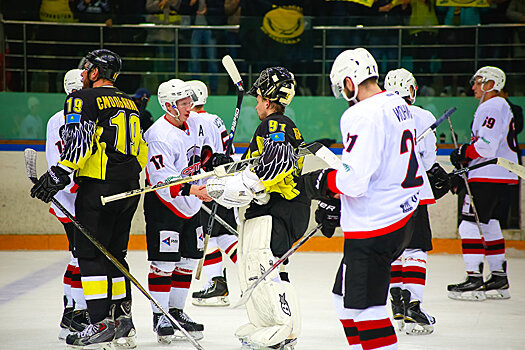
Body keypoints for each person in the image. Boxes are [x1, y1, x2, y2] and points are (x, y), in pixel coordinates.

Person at [302, 48, 425, 349]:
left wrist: (323, 182)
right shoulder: (398, 103)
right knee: (342, 295)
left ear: (349, 81)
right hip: (402, 217)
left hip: (374, 227)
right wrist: (340, 201)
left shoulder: (360, 114)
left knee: (366, 310)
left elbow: (354, 181)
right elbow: (380, 165)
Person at [30, 49, 148, 349]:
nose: (83, 73)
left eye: (87, 69)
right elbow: (142, 151)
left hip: (99, 190)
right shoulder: (129, 102)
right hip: (129, 189)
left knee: (91, 255)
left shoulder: (82, 98)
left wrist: (59, 174)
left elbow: (79, 142)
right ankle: (122, 320)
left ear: (96, 73)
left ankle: (98, 323)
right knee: (115, 254)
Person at [205, 66, 308, 349]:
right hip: (275, 210)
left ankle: (280, 326)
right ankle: (275, 325)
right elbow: (259, 164)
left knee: (262, 266)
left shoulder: (275, 125)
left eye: (258, 98)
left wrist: (239, 186)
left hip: (275, 210)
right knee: (262, 268)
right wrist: (226, 166)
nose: (256, 104)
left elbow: (276, 165)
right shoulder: (277, 126)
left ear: (267, 99)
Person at [143, 78, 217, 343]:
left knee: (187, 260)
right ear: (168, 106)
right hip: (165, 206)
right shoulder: (159, 135)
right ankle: (160, 314)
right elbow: (161, 179)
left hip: (191, 204)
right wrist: (191, 190)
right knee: (164, 263)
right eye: (183, 103)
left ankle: (176, 311)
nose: (189, 107)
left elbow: (208, 153)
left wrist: (215, 171)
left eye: (189, 101)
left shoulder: (195, 122)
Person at [384, 68, 450, 336]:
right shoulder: (423, 116)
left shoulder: (379, 115)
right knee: (416, 250)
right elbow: (428, 161)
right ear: (411, 90)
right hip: (414, 193)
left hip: (387, 195)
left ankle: (397, 301)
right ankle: (413, 304)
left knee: (394, 250)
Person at [447, 66, 518, 301]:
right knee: (489, 224)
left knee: (468, 225)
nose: (473, 86)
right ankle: (499, 278)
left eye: (478, 82)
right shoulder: (500, 106)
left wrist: (463, 152)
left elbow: (485, 146)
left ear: (490, 84)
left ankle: (474, 280)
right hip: (502, 175)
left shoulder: (492, 105)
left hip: (488, 175)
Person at [186, 79, 239, 307]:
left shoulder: (194, 121)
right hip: (225, 185)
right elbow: (230, 152)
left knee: (206, 237)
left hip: (204, 188)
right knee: (225, 235)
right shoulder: (216, 119)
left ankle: (216, 283)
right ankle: (256, 275)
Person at [47, 68, 89, 341]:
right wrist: (73, 183)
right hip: (72, 196)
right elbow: (59, 157)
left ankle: (71, 312)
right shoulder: (61, 120)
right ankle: (76, 315)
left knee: (77, 255)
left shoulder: (69, 116)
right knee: (81, 256)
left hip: (73, 194)